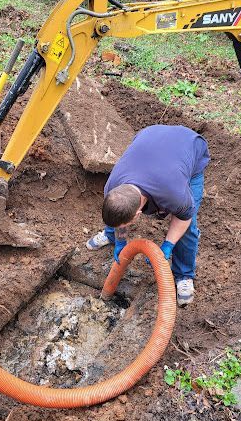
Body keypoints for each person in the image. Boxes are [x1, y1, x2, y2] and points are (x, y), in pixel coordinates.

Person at [86, 125, 210, 306]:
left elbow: (184, 217)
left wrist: (167, 245)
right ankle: (111, 236)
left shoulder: (173, 193)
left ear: (138, 214)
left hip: (188, 146)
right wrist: (121, 241)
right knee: (118, 212)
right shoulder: (112, 187)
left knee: (188, 227)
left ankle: (184, 276)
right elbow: (119, 213)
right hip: (151, 136)